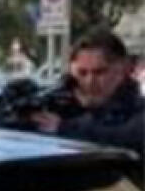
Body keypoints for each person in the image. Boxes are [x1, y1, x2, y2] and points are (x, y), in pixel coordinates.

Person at [30, 28, 143, 157]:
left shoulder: (137, 113)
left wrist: (65, 128)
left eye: (100, 72)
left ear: (124, 68)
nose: (90, 81)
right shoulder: (61, 103)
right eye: (82, 73)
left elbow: (125, 136)